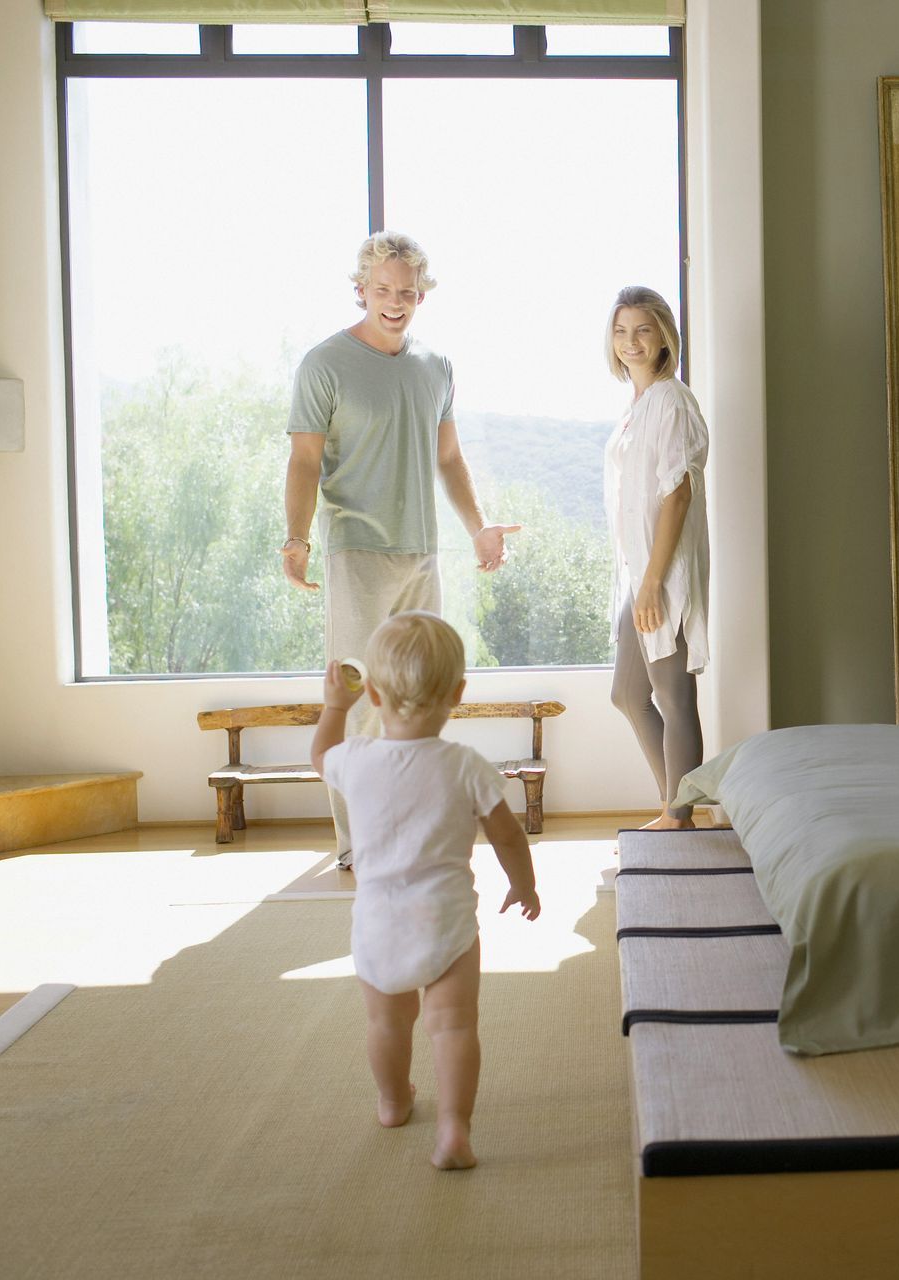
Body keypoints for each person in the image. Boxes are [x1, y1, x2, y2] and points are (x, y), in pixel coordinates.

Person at [283, 231, 520, 870]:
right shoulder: (324, 364)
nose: (395, 302)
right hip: (355, 550)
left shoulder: (436, 368)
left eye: (407, 292)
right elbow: (304, 462)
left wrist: (479, 526)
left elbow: (448, 457)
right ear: (360, 290)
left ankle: (410, 826)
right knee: (357, 697)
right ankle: (357, 844)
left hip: (422, 552)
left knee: (420, 690)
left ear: (422, 296)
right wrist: (297, 537)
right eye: (383, 290)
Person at [312, 610, 540, 1171]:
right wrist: (524, 885)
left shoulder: (356, 760)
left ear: (374, 695)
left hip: (377, 923)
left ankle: (393, 1102)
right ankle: (454, 1130)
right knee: (454, 1026)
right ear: (457, 693)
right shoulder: (467, 766)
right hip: (447, 922)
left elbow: (319, 756)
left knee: (386, 1023)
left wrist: (336, 706)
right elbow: (509, 836)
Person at [603, 286, 709, 830]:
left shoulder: (671, 399)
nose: (630, 342)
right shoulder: (638, 407)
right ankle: (679, 804)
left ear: (664, 335)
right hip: (640, 574)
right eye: (622, 331)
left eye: (642, 329)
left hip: (660, 575)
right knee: (627, 693)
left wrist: (653, 581)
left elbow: (678, 493)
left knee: (672, 695)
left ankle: (681, 813)